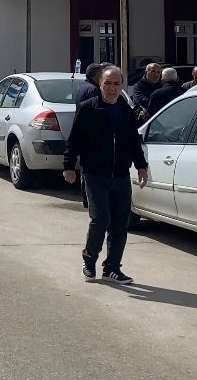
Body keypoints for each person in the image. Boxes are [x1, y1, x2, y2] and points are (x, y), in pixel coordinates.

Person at [63, 66, 149, 285]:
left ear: (122, 86)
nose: (112, 88)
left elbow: (133, 141)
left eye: (116, 84)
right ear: (100, 84)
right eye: (107, 83)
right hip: (95, 174)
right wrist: (68, 166)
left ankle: (112, 268)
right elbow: (75, 139)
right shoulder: (88, 108)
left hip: (120, 175)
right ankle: (89, 261)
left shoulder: (126, 110)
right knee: (100, 219)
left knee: (120, 223)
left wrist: (141, 166)